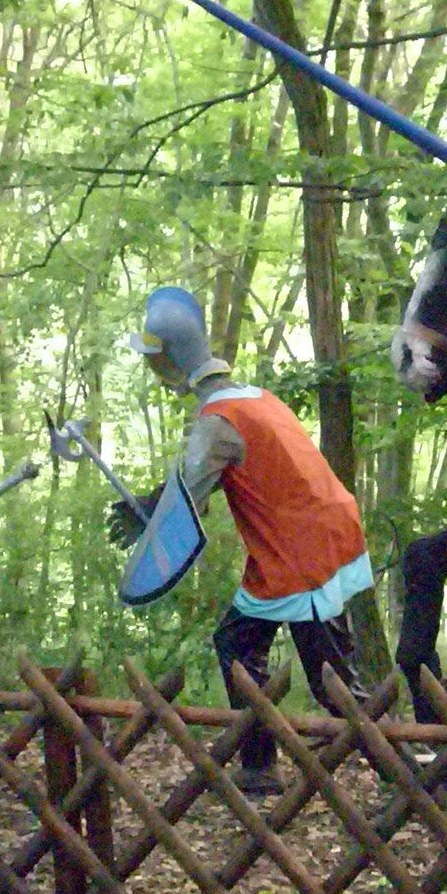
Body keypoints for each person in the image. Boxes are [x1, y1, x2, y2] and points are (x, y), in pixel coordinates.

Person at [109, 287, 374, 796]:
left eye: (155, 360)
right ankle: (261, 764)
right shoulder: (254, 398)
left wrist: (148, 514)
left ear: (171, 358)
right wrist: (150, 503)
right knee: (244, 644)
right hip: (315, 536)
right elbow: (198, 485)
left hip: (302, 552)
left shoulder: (217, 421)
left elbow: (190, 500)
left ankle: (402, 769)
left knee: (329, 679)